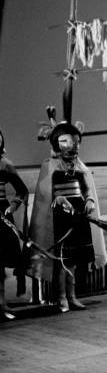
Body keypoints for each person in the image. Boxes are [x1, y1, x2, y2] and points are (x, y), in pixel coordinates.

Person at [28, 122, 106, 313]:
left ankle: (72, 296)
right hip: (59, 219)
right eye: (65, 141)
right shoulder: (50, 166)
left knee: (73, 259)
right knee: (62, 260)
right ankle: (61, 297)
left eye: (75, 142)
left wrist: (89, 201)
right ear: (56, 143)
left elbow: (86, 188)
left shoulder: (79, 167)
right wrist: (61, 199)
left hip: (77, 216)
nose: (72, 146)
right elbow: (47, 195)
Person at [0, 130, 28, 321]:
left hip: (1, 213)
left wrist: (13, 205)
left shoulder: (5, 164)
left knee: (0, 260)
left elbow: (22, 190)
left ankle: (1, 303)